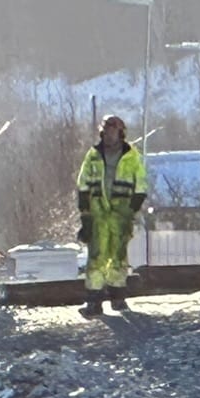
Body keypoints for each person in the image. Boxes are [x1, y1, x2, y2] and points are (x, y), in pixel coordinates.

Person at [75, 116, 148, 318]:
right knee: (96, 256)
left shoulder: (132, 157)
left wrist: (132, 207)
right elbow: (84, 183)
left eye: (112, 130)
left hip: (120, 213)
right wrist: (85, 209)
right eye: (106, 130)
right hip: (98, 213)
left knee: (118, 255)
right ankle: (94, 301)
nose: (108, 134)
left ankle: (117, 297)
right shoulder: (93, 155)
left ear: (120, 132)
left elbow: (140, 183)